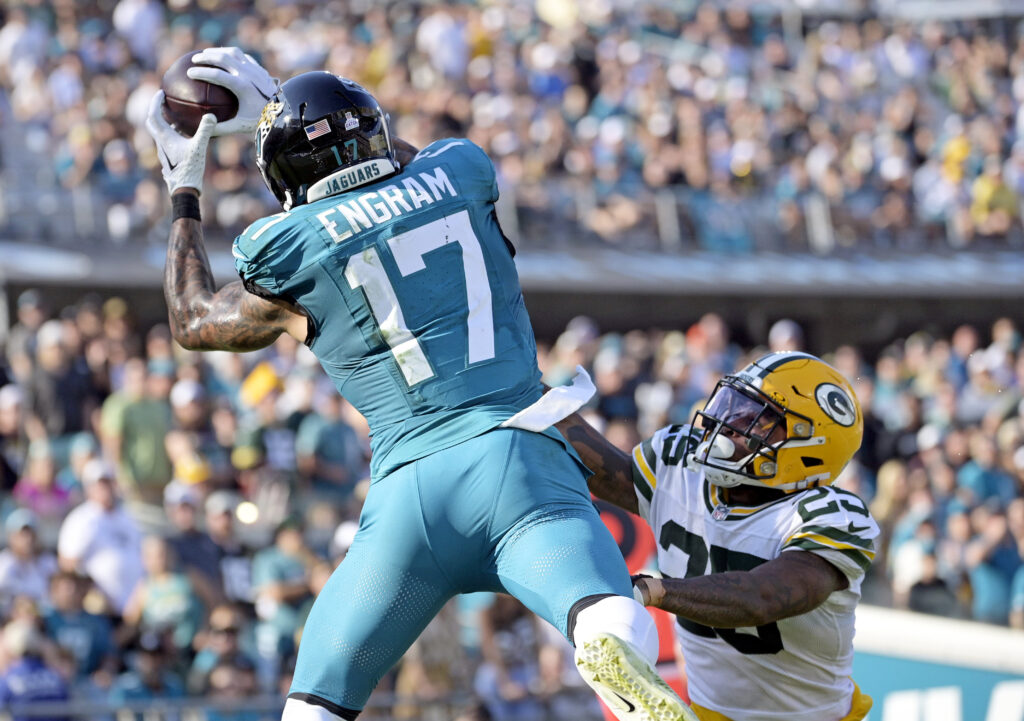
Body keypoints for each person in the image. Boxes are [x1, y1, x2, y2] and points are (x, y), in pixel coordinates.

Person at [145, 46, 693, 721]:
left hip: (409, 497)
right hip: (518, 455)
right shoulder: (458, 172)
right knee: (599, 608)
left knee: (314, 700)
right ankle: (607, 641)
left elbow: (194, 320)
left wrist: (183, 190)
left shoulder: (295, 249)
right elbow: (401, 165)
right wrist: (297, 107)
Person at [557, 352, 880, 721]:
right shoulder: (681, 466)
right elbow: (606, 472)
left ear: (808, 449)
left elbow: (763, 598)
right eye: (735, 405)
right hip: (708, 713)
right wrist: (527, 395)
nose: (729, 424)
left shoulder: (830, 516)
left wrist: (654, 590)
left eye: (757, 419)